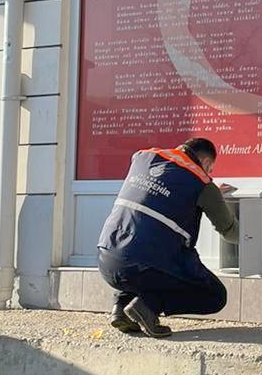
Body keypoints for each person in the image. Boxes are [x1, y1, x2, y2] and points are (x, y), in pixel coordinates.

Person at [96, 137, 238, 338]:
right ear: (206, 163)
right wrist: (253, 238)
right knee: (215, 296)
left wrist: (211, 194)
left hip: (107, 258)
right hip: (146, 264)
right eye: (211, 169)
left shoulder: (144, 158)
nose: (209, 174)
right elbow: (229, 230)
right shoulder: (202, 183)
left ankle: (120, 307)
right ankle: (149, 307)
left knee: (138, 252)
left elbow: (165, 192)